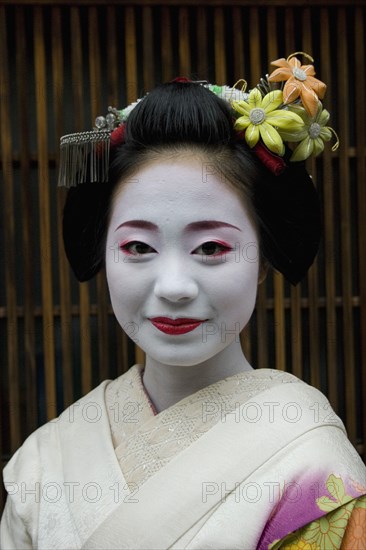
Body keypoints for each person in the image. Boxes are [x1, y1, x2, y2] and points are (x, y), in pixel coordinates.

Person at [1, 54, 365, 549]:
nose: (174, 285)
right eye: (138, 247)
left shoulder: (311, 460)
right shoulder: (43, 463)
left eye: (211, 248)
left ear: (262, 259)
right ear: (103, 253)